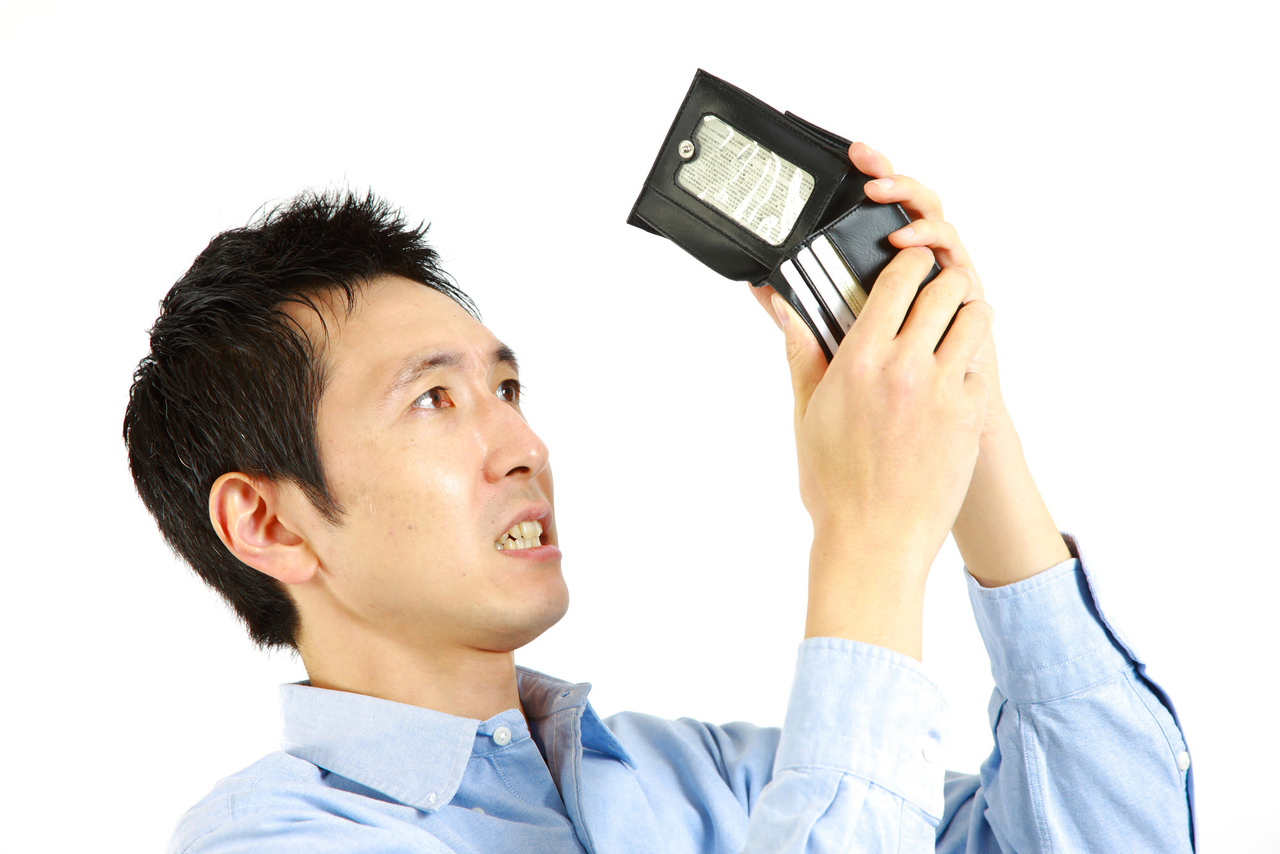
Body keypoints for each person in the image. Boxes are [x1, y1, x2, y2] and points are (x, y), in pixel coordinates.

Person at [125, 143, 1195, 853]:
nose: (522, 446)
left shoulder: (711, 782)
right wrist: (867, 541)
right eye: (433, 400)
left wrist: (965, 421)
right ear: (268, 522)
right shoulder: (268, 839)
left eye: (507, 389)